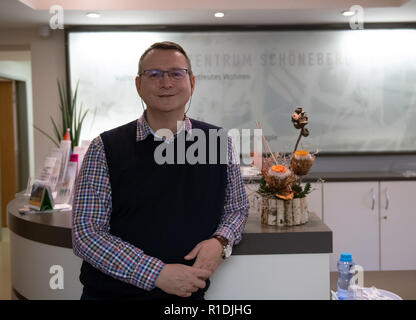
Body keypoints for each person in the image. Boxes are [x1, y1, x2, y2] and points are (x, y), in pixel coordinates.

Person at [72, 41, 249, 300]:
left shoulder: (219, 142)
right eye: (154, 74)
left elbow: (237, 209)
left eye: (176, 73)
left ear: (192, 83)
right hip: (110, 295)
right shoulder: (105, 148)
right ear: (138, 85)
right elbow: (86, 233)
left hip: (186, 297)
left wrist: (221, 242)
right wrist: (156, 273)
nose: (166, 83)